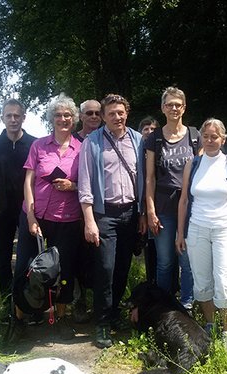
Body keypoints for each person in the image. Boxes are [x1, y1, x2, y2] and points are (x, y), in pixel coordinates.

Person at [12, 93, 83, 341]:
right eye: (57, 115)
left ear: (73, 119)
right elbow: (28, 181)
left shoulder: (82, 149)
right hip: (36, 216)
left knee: (64, 271)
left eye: (67, 115)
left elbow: (87, 184)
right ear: (51, 119)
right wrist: (30, 216)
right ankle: (18, 319)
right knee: (24, 269)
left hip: (68, 218)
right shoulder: (39, 146)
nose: (62, 119)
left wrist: (72, 186)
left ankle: (61, 318)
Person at [78, 93, 146, 348]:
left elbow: (143, 180)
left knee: (121, 268)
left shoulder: (139, 141)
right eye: (111, 114)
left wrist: (141, 214)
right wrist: (89, 220)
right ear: (104, 117)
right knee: (104, 269)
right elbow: (84, 183)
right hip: (104, 214)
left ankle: (114, 312)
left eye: (121, 112)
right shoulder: (92, 142)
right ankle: (102, 323)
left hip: (130, 213)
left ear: (127, 113)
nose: (117, 117)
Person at [176, 118, 227, 352]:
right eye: (205, 136)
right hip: (196, 228)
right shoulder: (193, 164)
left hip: (225, 229)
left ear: (223, 139)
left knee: (225, 279)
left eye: (214, 137)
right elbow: (184, 200)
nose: (209, 140)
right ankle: (210, 325)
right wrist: (180, 233)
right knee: (202, 280)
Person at [0, 99, 36, 318]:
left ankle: (30, 301)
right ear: (2, 118)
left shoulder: (34, 144)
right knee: (3, 258)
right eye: (8, 115)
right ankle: (7, 303)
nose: (13, 119)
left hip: (28, 211)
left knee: (30, 257)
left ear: (23, 118)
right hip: (1, 210)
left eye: (16, 115)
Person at [145, 87, 199, 309]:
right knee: (165, 261)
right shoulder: (154, 138)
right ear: (162, 108)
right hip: (163, 206)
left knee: (187, 261)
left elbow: (201, 173)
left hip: (190, 207)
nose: (174, 108)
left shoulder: (195, 136)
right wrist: (150, 210)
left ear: (184, 107)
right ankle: (164, 307)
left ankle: (187, 305)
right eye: (169, 104)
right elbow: (149, 178)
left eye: (178, 104)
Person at [71, 99, 102, 324]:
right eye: (89, 113)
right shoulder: (73, 142)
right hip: (73, 210)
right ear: (81, 116)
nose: (93, 116)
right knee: (78, 257)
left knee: (99, 258)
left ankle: (100, 301)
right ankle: (79, 300)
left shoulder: (106, 138)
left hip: (101, 209)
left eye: (97, 113)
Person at [138, 116, 160, 284]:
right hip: (140, 209)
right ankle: (150, 283)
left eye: (153, 129)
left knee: (163, 252)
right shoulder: (135, 154)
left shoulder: (162, 153)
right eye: (146, 129)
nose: (149, 132)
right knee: (148, 250)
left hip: (161, 206)